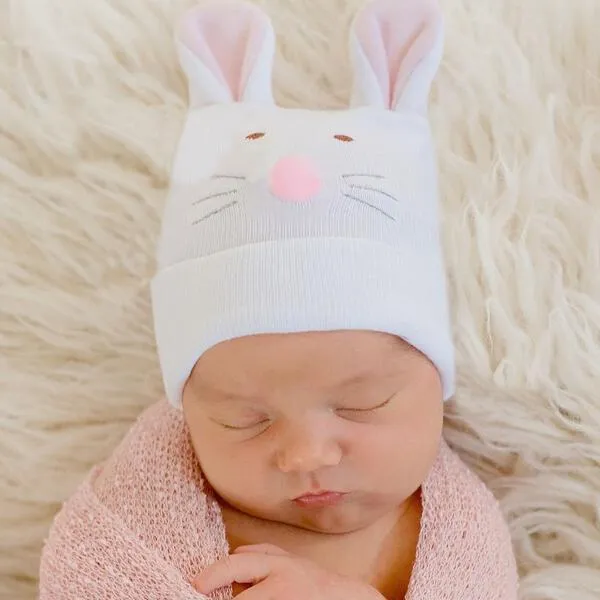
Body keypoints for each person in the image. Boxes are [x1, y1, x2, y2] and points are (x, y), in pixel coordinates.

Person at [39, 0, 519, 598]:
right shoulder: (131, 525)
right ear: (188, 410)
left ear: (435, 385)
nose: (305, 454)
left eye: (362, 405)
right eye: (244, 420)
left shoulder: (461, 542)